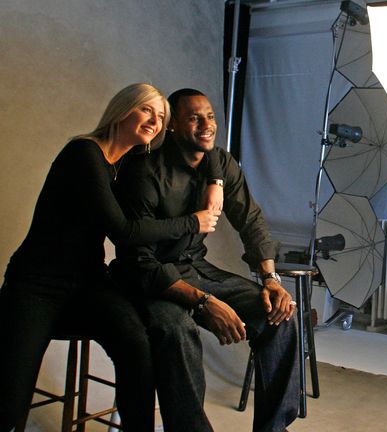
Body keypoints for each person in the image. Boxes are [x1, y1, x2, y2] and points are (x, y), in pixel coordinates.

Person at [0, 83, 221, 431]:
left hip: (87, 284)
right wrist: (192, 222)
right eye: (147, 109)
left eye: (161, 116)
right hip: (36, 286)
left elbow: (204, 151)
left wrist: (217, 179)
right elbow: (125, 231)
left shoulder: (128, 163)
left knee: (137, 344)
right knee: (10, 403)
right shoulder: (84, 154)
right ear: (123, 109)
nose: (155, 119)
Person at [110, 88, 300, 432]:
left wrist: (270, 279)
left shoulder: (220, 163)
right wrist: (203, 302)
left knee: (279, 318)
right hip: (153, 277)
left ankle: (274, 429)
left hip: (198, 267)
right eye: (194, 118)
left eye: (210, 116)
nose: (206, 125)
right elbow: (138, 259)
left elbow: (251, 220)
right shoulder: (144, 172)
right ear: (172, 125)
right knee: (177, 331)